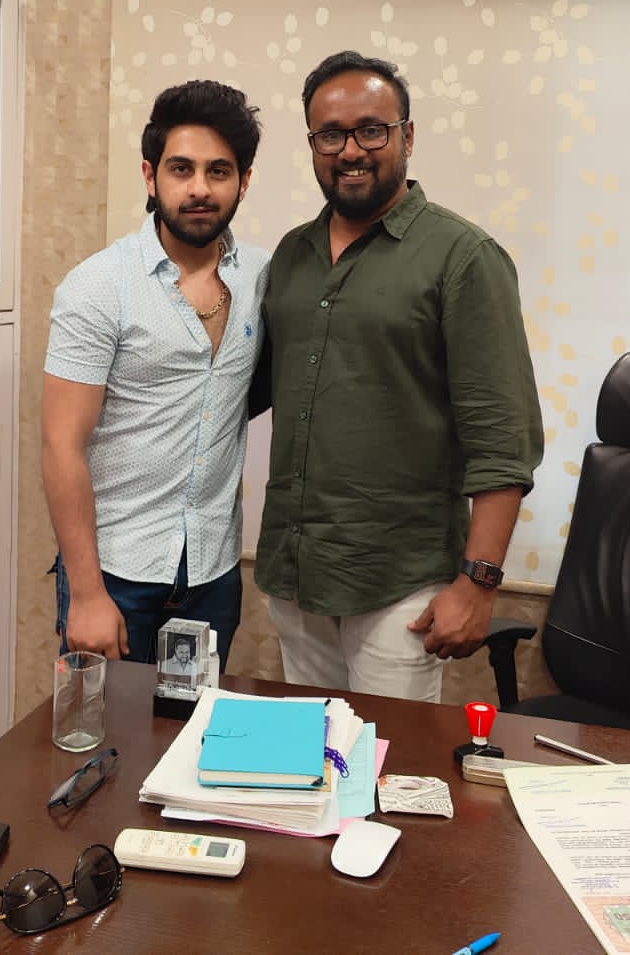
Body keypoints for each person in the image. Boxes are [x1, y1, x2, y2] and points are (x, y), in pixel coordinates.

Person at [254, 50, 544, 702]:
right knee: (312, 759)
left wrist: (477, 583)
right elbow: (250, 389)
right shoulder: (292, 256)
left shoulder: (462, 257)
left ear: (407, 136)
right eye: (331, 134)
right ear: (312, 144)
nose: (351, 150)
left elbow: (503, 439)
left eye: (371, 130)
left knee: (385, 762)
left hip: (399, 587)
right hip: (296, 576)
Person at [42, 79, 267, 672]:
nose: (199, 188)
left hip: (213, 572)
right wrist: (86, 593)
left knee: (197, 729)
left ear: (244, 181)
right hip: (115, 572)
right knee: (105, 728)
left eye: (219, 171)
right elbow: (61, 446)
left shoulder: (262, 279)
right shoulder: (98, 286)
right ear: (150, 176)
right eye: (181, 168)